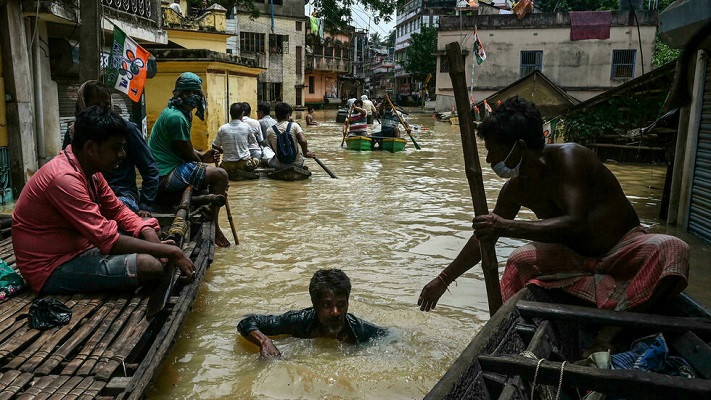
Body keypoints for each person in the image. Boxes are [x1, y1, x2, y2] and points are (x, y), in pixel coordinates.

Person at [418, 97, 689, 325]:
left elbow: (575, 224)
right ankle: (506, 329)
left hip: (621, 249)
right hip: (574, 258)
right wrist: (443, 280)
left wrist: (505, 226)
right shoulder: (515, 190)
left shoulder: (571, 158)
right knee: (519, 261)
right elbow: (485, 238)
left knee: (672, 248)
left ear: (520, 147)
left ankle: (615, 329)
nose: (489, 160)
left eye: (493, 151)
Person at [12, 106, 194, 295]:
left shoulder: (92, 173)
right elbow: (108, 239)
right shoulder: (63, 179)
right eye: (115, 148)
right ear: (91, 148)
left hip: (80, 249)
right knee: (150, 265)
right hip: (50, 268)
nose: (122, 154)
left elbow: (118, 210)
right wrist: (168, 252)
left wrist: (146, 231)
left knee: (145, 241)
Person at [148, 72, 231, 247]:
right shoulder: (176, 117)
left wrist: (202, 156)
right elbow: (187, 154)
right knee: (221, 175)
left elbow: (186, 148)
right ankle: (215, 226)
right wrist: (201, 160)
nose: (193, 97)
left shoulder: (182, 114)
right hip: (164, 177)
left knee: (213, 173)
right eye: (189, 93)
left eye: (196, 93)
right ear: (180, 94)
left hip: (169, 169)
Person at [237, 269, 388, 357]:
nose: (336, 312)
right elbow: (247, 322)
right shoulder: (298, 321)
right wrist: (265, 342)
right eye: (327, 305)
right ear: (314, 305)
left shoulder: (360, 331)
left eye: (341, 304)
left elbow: (391, 336)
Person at [62, 81, 160, 216]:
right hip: (86, 194)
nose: (103, 109)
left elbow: (150, 169)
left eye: (106, 104)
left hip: (121, 194)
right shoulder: (74, 133)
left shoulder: (126, 130)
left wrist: (145, 205)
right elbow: (69, 167)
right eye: (96, 105)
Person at [213, 103, 260, 179]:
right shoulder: (247, 127)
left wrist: (222, 150)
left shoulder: (222, 128)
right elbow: (253, 142)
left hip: (227, 165)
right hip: (244, 164)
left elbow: (215, 146)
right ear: (242, 114)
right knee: (256, 160)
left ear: (230, 114)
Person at [266, 102, 313, 168]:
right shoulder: (295, 125)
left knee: (269, 160)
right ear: (288, 115)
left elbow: (272, 148)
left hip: (280, 165)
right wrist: (305, 153)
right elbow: (303, 141)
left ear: (276, 115)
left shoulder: (269, 130)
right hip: (297, 163)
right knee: (301, 158)